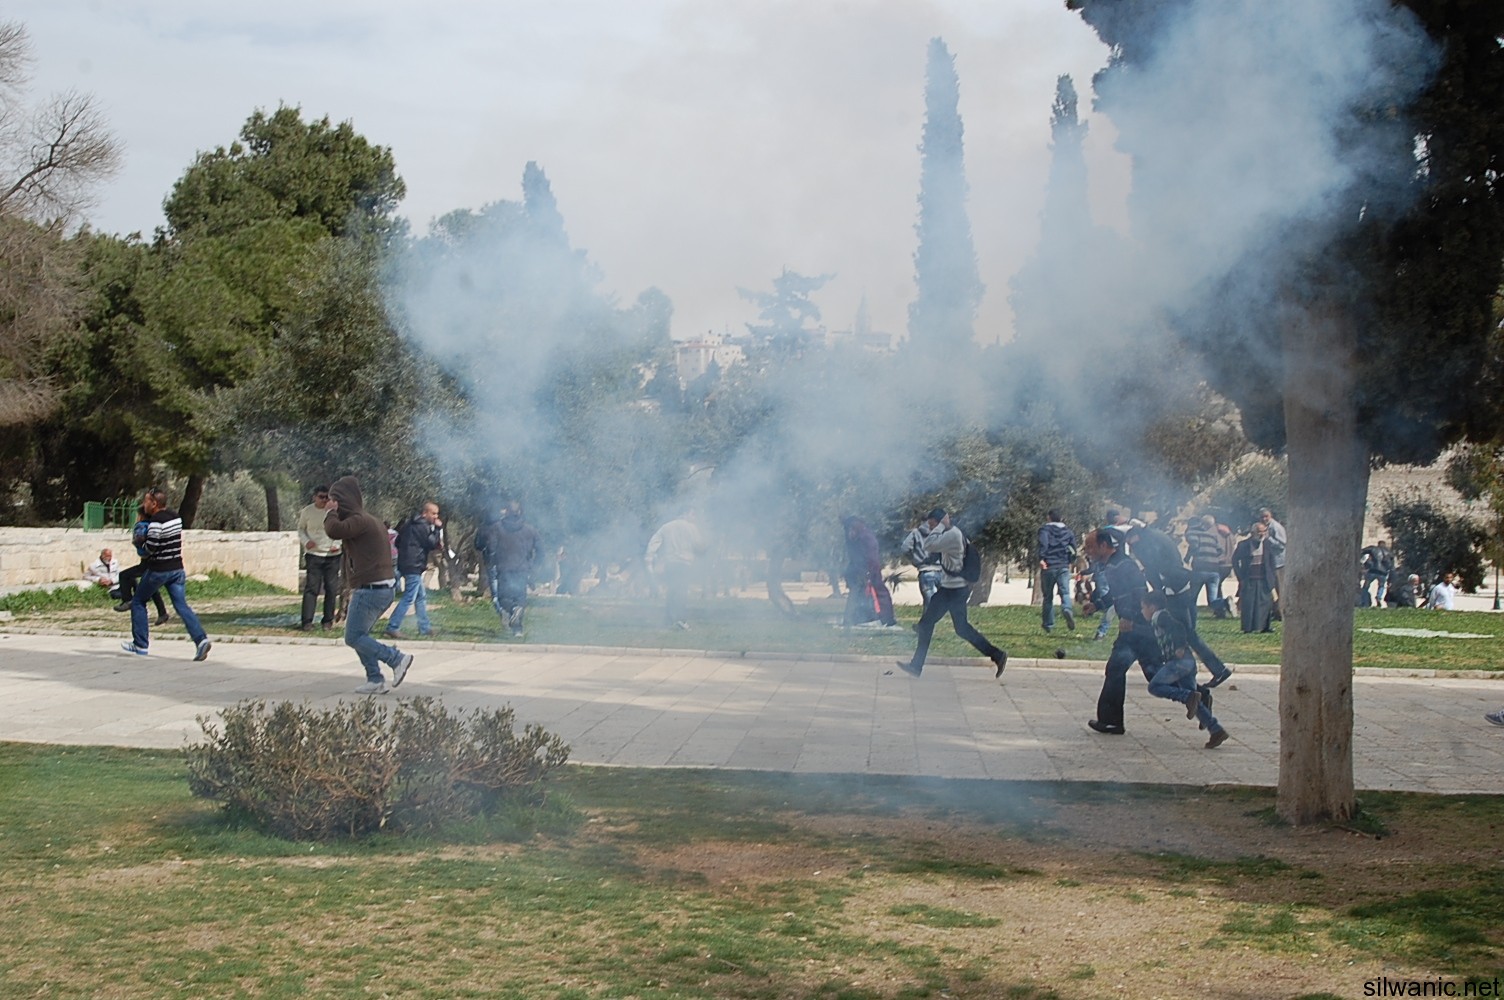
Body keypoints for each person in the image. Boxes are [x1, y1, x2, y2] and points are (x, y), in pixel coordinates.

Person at [323, 476, 413, 694]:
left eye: (334, 500)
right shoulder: (367, 519)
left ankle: (396, 659)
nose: (330, 504)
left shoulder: (359, 520)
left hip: (371, 589)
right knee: (360, 635)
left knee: (353, 637)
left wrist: (330, 512)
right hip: (379, 587)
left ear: (342, 500)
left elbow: (333, 530)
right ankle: (375, 679)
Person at [896, 509, 1008, 679]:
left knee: (947, 627)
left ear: (940, 521)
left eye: (932, 524)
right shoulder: (951, 534)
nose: (930, 528)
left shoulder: (952, 535)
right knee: (950, 627)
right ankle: (997, 655)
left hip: (954, 590)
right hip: (951, 589)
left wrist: (941, 525)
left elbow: (928, 545)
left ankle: (997, 655)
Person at [1125, 521, 1233, 689]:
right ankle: (1216, 670)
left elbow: (1153, 569)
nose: (1131, 547)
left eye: (1130, 542)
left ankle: (1200, 672)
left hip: (1174, 590)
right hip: (1179, 586)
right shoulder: (1155, 538)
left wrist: (1157, 591)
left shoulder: (1147, 545)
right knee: (1186, 634)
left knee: (1182, 633)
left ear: (1136, 537)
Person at [119, 486, 211, 662]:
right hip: (177, 568)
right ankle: (201, 640)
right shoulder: (175, 517)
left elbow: (150, 549)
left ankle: (140, 644)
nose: (143, 504)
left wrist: (139, 543)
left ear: (154, 503)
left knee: (138, 601)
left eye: (146, 501)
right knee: (181, 606)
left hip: (159, 569)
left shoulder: (156, 522)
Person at [1083, 528, 1156, 735]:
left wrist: (1130, 617)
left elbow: (1140, 592)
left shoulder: (1124, 566)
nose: (1087, 551)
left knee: (1118, 669)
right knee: (1155, 673)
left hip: (1137, 627)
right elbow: (1116, 594)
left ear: (1104, 546)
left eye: (1090, 546)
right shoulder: (1112, 565)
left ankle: (1111, 721)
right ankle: (1197, 695)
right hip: (1134, 627)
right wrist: (1097, 605)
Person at [1140, 590, 1230, 749]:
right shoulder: (1157, 619)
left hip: (1179, 663)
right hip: (1187, 663)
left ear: (1152, 607)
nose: (1142, 611)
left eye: (1143, 608)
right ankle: (1216, 730)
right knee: (1194, 703)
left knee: (1155, 686)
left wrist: (1180, 646)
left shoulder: (1160, 616)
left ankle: (1188, 696)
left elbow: (1179, 628)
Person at [476, 500, 542, 637]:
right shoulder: (530, 530)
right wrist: (534, 567)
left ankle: (513, 612)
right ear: (520, 512)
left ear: (506, 511)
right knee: (520, 598)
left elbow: (491, 547)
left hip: (504, 568)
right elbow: (541, 551)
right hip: (523, 569)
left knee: (503, 598)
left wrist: (490, 562)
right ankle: (517, 630)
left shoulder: (497, 528)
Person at [385, 501, 442, 639]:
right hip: (414, 565)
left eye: (437, 514)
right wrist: (437, 529)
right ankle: (393, 626)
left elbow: (397, 542)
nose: (436, 516)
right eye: (433, 513)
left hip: (405, 563)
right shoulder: (423, 526)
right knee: (409, 597)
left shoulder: (408, 524)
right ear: (425, 513)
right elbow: (432, 543)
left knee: (420, 596)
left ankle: (424, 627)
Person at [646, 508, 706, 629]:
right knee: (681, 592)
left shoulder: (666, 527)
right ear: (685, 513)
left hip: (670, 564)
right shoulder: (691, 527)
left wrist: (649, 558)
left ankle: (668, 620)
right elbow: (699, 545)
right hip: (684, 564)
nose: (694, 517)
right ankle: (680, 620)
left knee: (672, 591)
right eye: (692, 514)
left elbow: (654, 543)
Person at [297, 485, 342, 632]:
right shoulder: (307, 511)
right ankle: (307, 622)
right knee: (312, 588)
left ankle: (327, 621)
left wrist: (337, 544)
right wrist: (306, 542)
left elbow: (342, 529)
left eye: (327, 497)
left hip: (332, 556)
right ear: (314, 497)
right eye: (321, 497)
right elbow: (301, 529)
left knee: (331, 589)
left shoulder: (335, 512)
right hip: (314, 555)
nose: (324, 500)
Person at [113, 509, 170, 626]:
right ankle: (162, 613)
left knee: (124, 575)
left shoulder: (142, 526)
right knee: (151, 587)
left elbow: (139, 540)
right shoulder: (155, 526)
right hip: (155, 561)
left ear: (141, 516)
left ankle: (127, 600)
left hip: (148, 562)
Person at [842, 516, 897, 628]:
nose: (850, 531)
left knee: (877, 594)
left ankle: (885, 618)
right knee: (858, 594)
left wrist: (869, 572)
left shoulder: (866, 538)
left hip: (869, 571)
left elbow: (872, 557)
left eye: (852, 528)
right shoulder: (856, 538)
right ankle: (855, 618)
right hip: (859, 570)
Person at [1232, 521, 1280, 633]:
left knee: (1266, 603)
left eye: (1264, 531)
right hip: (1249, 578)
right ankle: (1248, 628)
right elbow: (1235, 560)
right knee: (1249, 604)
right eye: (1259, 532)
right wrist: (1240, 576)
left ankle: (1265, 627)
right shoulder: (1243, 545)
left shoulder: (1267, 543)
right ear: (1253, 533)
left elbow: (1272, 561)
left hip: (1264, 578)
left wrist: (1272, 576)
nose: (1262, 534)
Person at [1037, 509, 1077, 633]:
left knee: (1048, 596)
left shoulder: (1044, 530)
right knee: (1065, 592)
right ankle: (1067, 609)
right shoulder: (1068, 532)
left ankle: (1048, 624)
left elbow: (1044, 544)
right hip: (1063, 565)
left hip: (1049, 565)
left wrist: (1041, 558)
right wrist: (1070, 561)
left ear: (1049, 517)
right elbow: (1073, 548)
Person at [1184, 515, 1227, 616]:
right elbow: (1221, 550)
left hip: (1200, 569)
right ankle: (1225, 602)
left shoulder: (1192, 533)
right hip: (1214, 570)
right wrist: (1212, 558)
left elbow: (1194, 545)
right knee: (1212, 600)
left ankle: (1191, 618)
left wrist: (1187, 558)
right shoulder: (1212, 536)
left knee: (1192, 598)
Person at [901, 514, 942, 610]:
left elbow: (905, 548)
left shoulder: (915, 533)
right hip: (942, 572)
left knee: (929, 603)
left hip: (925, 572)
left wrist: (914, 559)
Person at [1259, 507, 1288, 614]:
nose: (1264, 519)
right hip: (1269, 563)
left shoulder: (1276, 527)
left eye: (1266, 516)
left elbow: (1282, 544)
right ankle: (1273, 610)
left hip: (1279, 563)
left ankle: (1280, 612)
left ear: (1270, 515)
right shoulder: (1264, 527)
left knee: (1280, 588)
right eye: (1262, 517)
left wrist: (1269, 539)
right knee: (1271, 587)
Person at [1360, 541, 1393, 607]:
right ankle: (1379, 597)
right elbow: (1391, 564)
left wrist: (1362, 562)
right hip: (1383, 572)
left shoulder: (1373, 548)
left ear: (1378, 544)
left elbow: (1362, 551)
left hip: (1373, 570)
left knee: (1366, 587)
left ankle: (1365, 602)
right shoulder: (1389, 552)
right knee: (1381, 586)